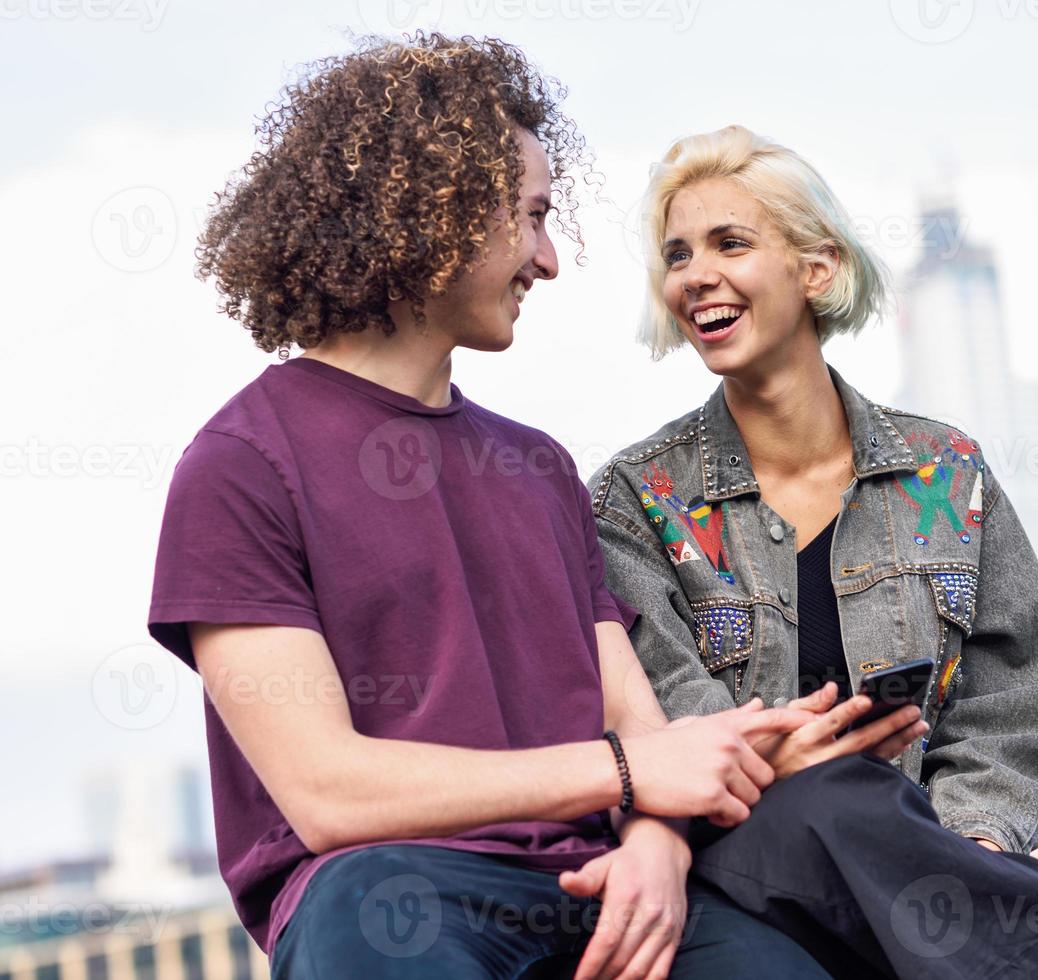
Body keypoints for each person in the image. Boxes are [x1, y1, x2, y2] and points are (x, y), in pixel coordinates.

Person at [147, 36, 834, 980]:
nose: (549, 262)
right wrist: (629, 775)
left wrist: (657, 848)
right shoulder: (239, 467)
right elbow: (324, 792)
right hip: (382, 893)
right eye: (533, 218)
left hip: (594, 886)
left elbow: (638, 726)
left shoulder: (539, 467)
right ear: (436, 215)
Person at [590, 124, 1038, 979]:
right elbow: (659, 716)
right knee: (830, 793)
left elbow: (1019, 690)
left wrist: (972, 838)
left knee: (861, 806)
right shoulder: (635, 499)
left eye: (729, 243)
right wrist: (765, 760)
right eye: (676, 255)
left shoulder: (945, 471)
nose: (694, 276)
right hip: (740, 863)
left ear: (815, 268)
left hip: (922, 866)